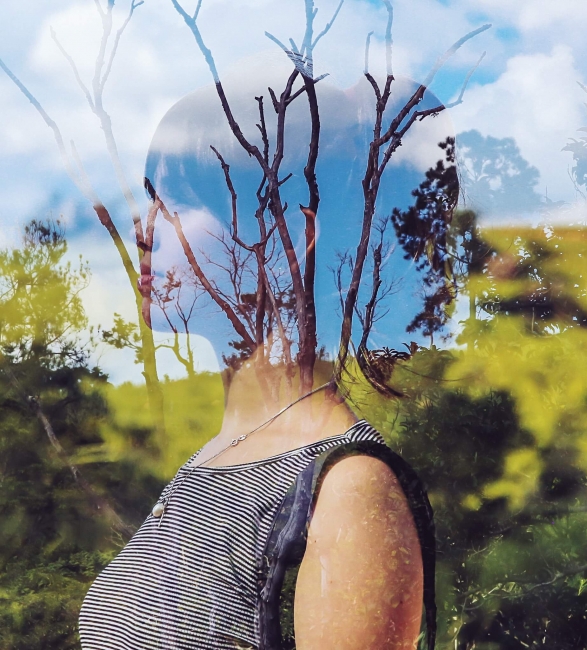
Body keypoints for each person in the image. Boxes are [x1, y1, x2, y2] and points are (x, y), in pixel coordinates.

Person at [78, 57, 448, 650]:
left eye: (172, 201)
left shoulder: (350, 490)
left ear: (284, 237)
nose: (143, 229)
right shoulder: (211, 461)